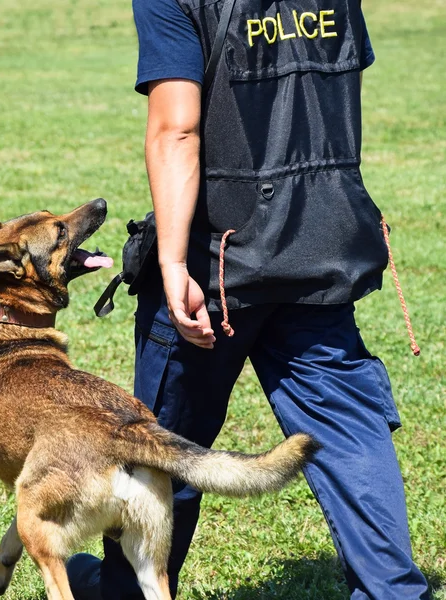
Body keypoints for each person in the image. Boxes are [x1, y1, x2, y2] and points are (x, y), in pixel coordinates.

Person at [67, 1, 430, 598]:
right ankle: (396, 591)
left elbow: (176, 126)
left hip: (217, 265)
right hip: (321, 244)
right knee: (347, 432)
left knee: (159, 448)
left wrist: (173, 261)